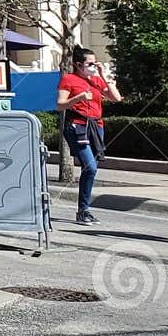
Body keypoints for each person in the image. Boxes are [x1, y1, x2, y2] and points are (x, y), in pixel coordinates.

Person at [58, 45, 120, 225]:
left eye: (95, 62)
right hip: (77, 125)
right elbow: (60, 104)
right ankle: (83, 210)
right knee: (90, 167)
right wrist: (77, 99)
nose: (94, 66)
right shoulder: (68, 79)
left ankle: (83, 210)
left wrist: (104, 76)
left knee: (91, 170)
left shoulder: (96, 80)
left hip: (96, 126)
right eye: (90, 63)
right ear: (79, 64)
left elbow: (116, 98)